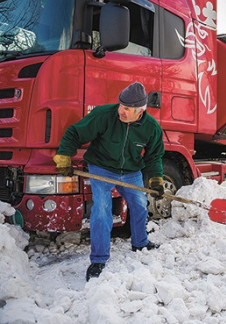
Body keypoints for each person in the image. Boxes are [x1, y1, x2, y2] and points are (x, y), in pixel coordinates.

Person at [53, 82, 166, 281]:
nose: (121, 111)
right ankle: (98, 260)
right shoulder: (105, 115)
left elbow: (154, 156)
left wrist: (156, 179)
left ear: (140, 111)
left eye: (127, 109)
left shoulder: (151, 128)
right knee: (102, 210)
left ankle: (140, 243)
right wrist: (64, 155)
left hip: (131, 171)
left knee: (140, 204)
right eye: (121, 105)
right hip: (101, 168)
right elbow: (75, 133)